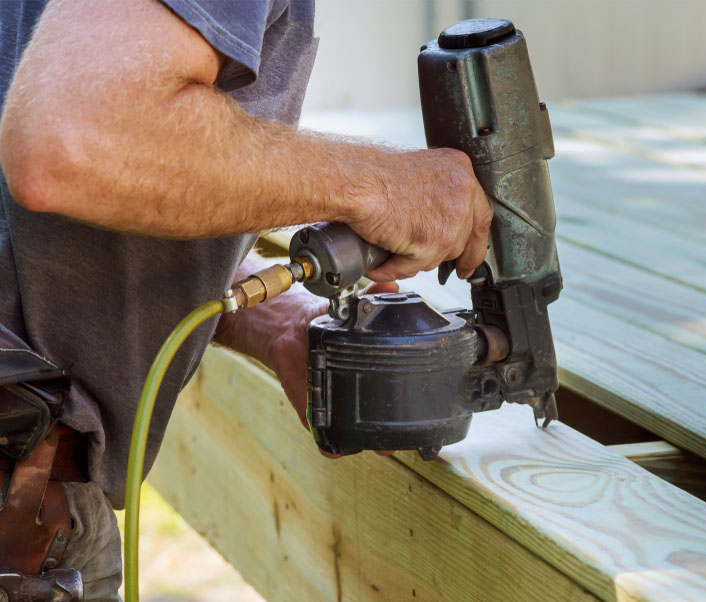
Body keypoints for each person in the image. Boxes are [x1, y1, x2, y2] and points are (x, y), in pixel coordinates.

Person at [0, 1, 492, 600]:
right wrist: (381, 184)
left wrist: (276, 320)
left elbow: (65, 203)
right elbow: (70, 142)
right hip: (20, 506)